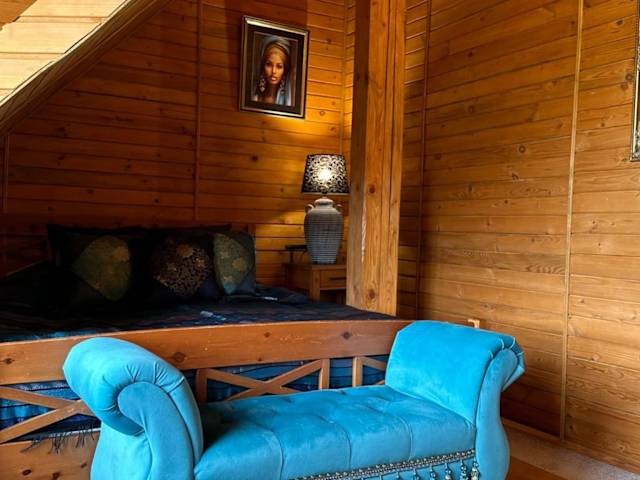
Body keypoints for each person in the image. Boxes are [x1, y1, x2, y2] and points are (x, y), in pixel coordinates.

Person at [253, 35, 292, 106]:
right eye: (269, 65)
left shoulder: (287, 102)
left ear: (285, 70)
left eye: (279, 66)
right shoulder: (254, 98)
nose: (273, 71)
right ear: (263, 66)